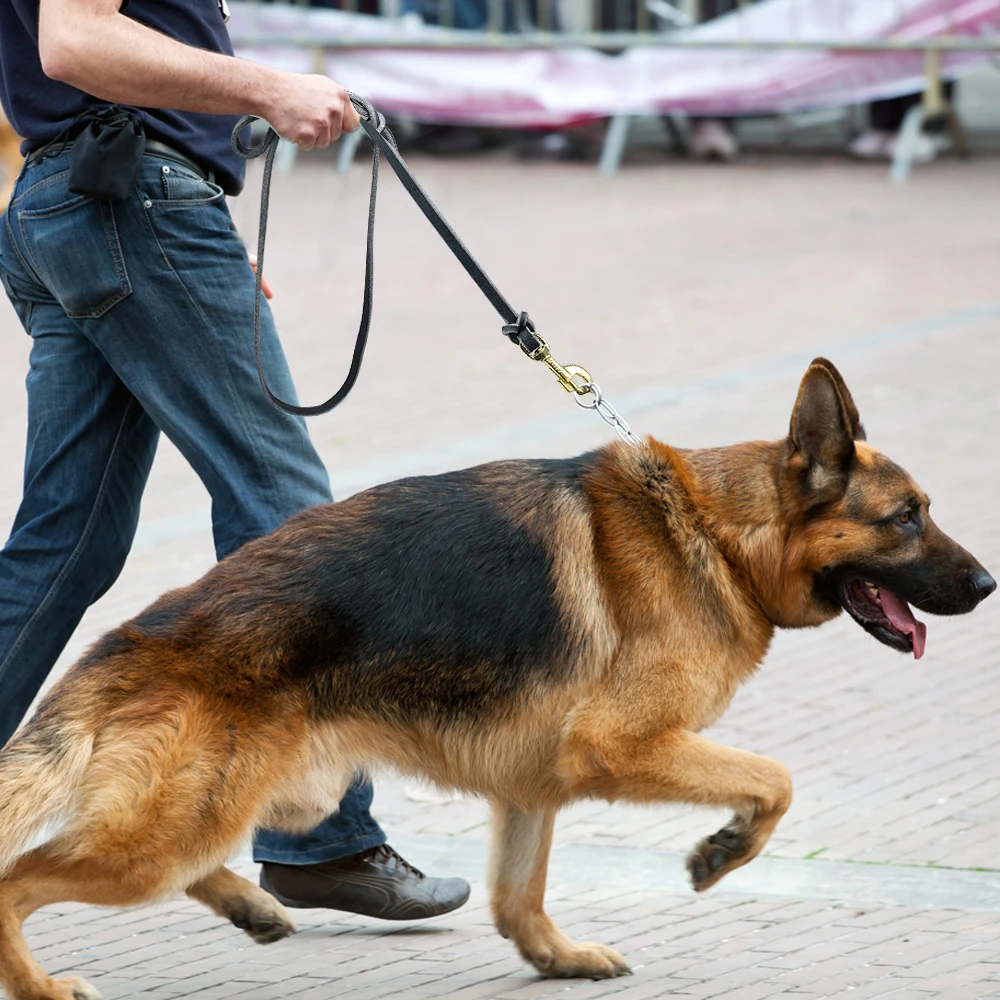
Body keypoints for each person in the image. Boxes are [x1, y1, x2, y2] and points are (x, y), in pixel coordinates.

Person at [0, 0, 470, 920]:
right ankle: (322, 841)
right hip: (126, 198)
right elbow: (75, 41)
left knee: (63, 545)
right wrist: (268, 89)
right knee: (289, 519)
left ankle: (317, 842)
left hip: (86, 202)